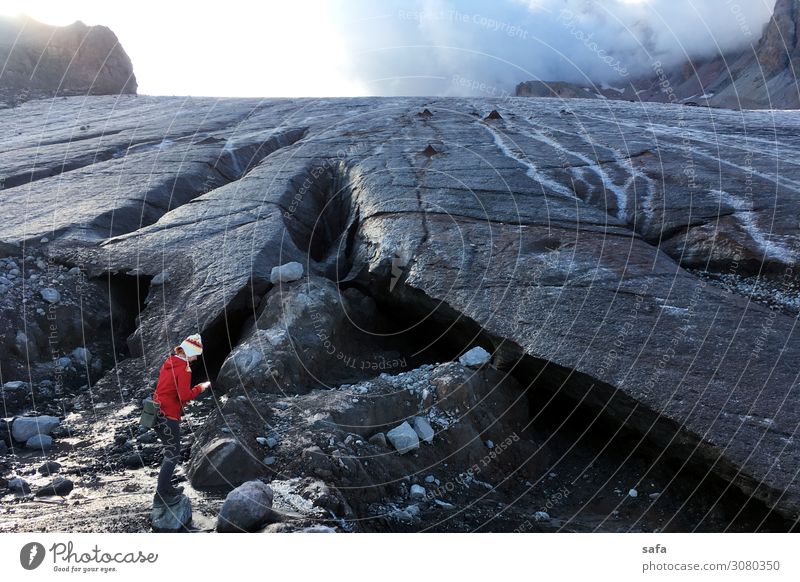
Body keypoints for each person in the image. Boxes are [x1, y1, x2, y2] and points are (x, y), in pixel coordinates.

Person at [151, 333, 210, 504]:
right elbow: (183, 396)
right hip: (169, 416)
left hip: (158, 414)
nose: (194, 360)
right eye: (195, 355)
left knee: (170, 452)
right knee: (172, 455)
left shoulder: (168, 363)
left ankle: (166, 488)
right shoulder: (184, 369)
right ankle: (162, 494)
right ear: (189, 351)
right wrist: (200, 388)